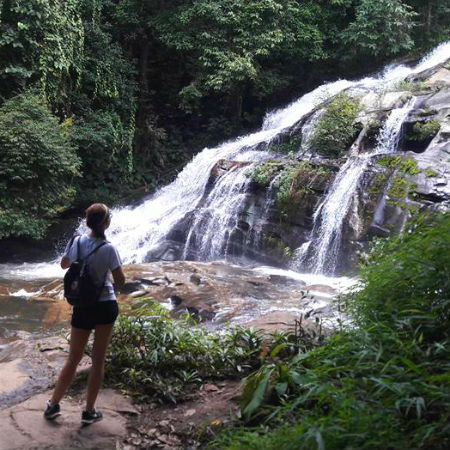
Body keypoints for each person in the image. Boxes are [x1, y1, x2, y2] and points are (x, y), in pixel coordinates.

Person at [44, 203, 125, 424]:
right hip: (105, 305)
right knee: (98, 360)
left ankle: (53, 405)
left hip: (82, 306)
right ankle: (89, 411)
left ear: (87, 222)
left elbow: (64, 265)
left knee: (73, 358)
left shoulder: (78, 241)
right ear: (106, 224)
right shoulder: (109, 249)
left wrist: (74, 252)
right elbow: (120, 281)